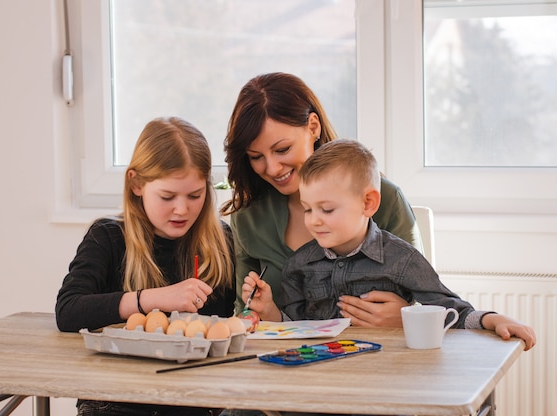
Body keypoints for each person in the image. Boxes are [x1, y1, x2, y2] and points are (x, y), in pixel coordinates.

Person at [243, 139, 536, 351]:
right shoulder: (299, 265)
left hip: (389, 376)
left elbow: (446, 309)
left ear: (368, 203)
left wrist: (492, 319)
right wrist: (269, 311)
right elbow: (297, 327)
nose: (314, 221)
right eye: (308, 209)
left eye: (327, 210)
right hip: (322, 380)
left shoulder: (402, 258)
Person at [56, 117, 235, 416]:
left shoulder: (220, 240)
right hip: (114, 401)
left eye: (195, 195)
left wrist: (257, 307)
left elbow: (230, 323)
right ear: (136, 184)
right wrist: (151, 299)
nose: (182, 209)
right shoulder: (109, 237)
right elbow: (68, 311)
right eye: (167, 196)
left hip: (195, 401)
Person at [221, 72, 419, 324]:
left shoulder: (385, 198)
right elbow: (244, 312)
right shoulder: (249, 215)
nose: (271, 168)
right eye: (256, 156)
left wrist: (404, 316)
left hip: (376, 358)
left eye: (282, 149)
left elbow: (427, 302)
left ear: (313, 127)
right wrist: (257, 313)